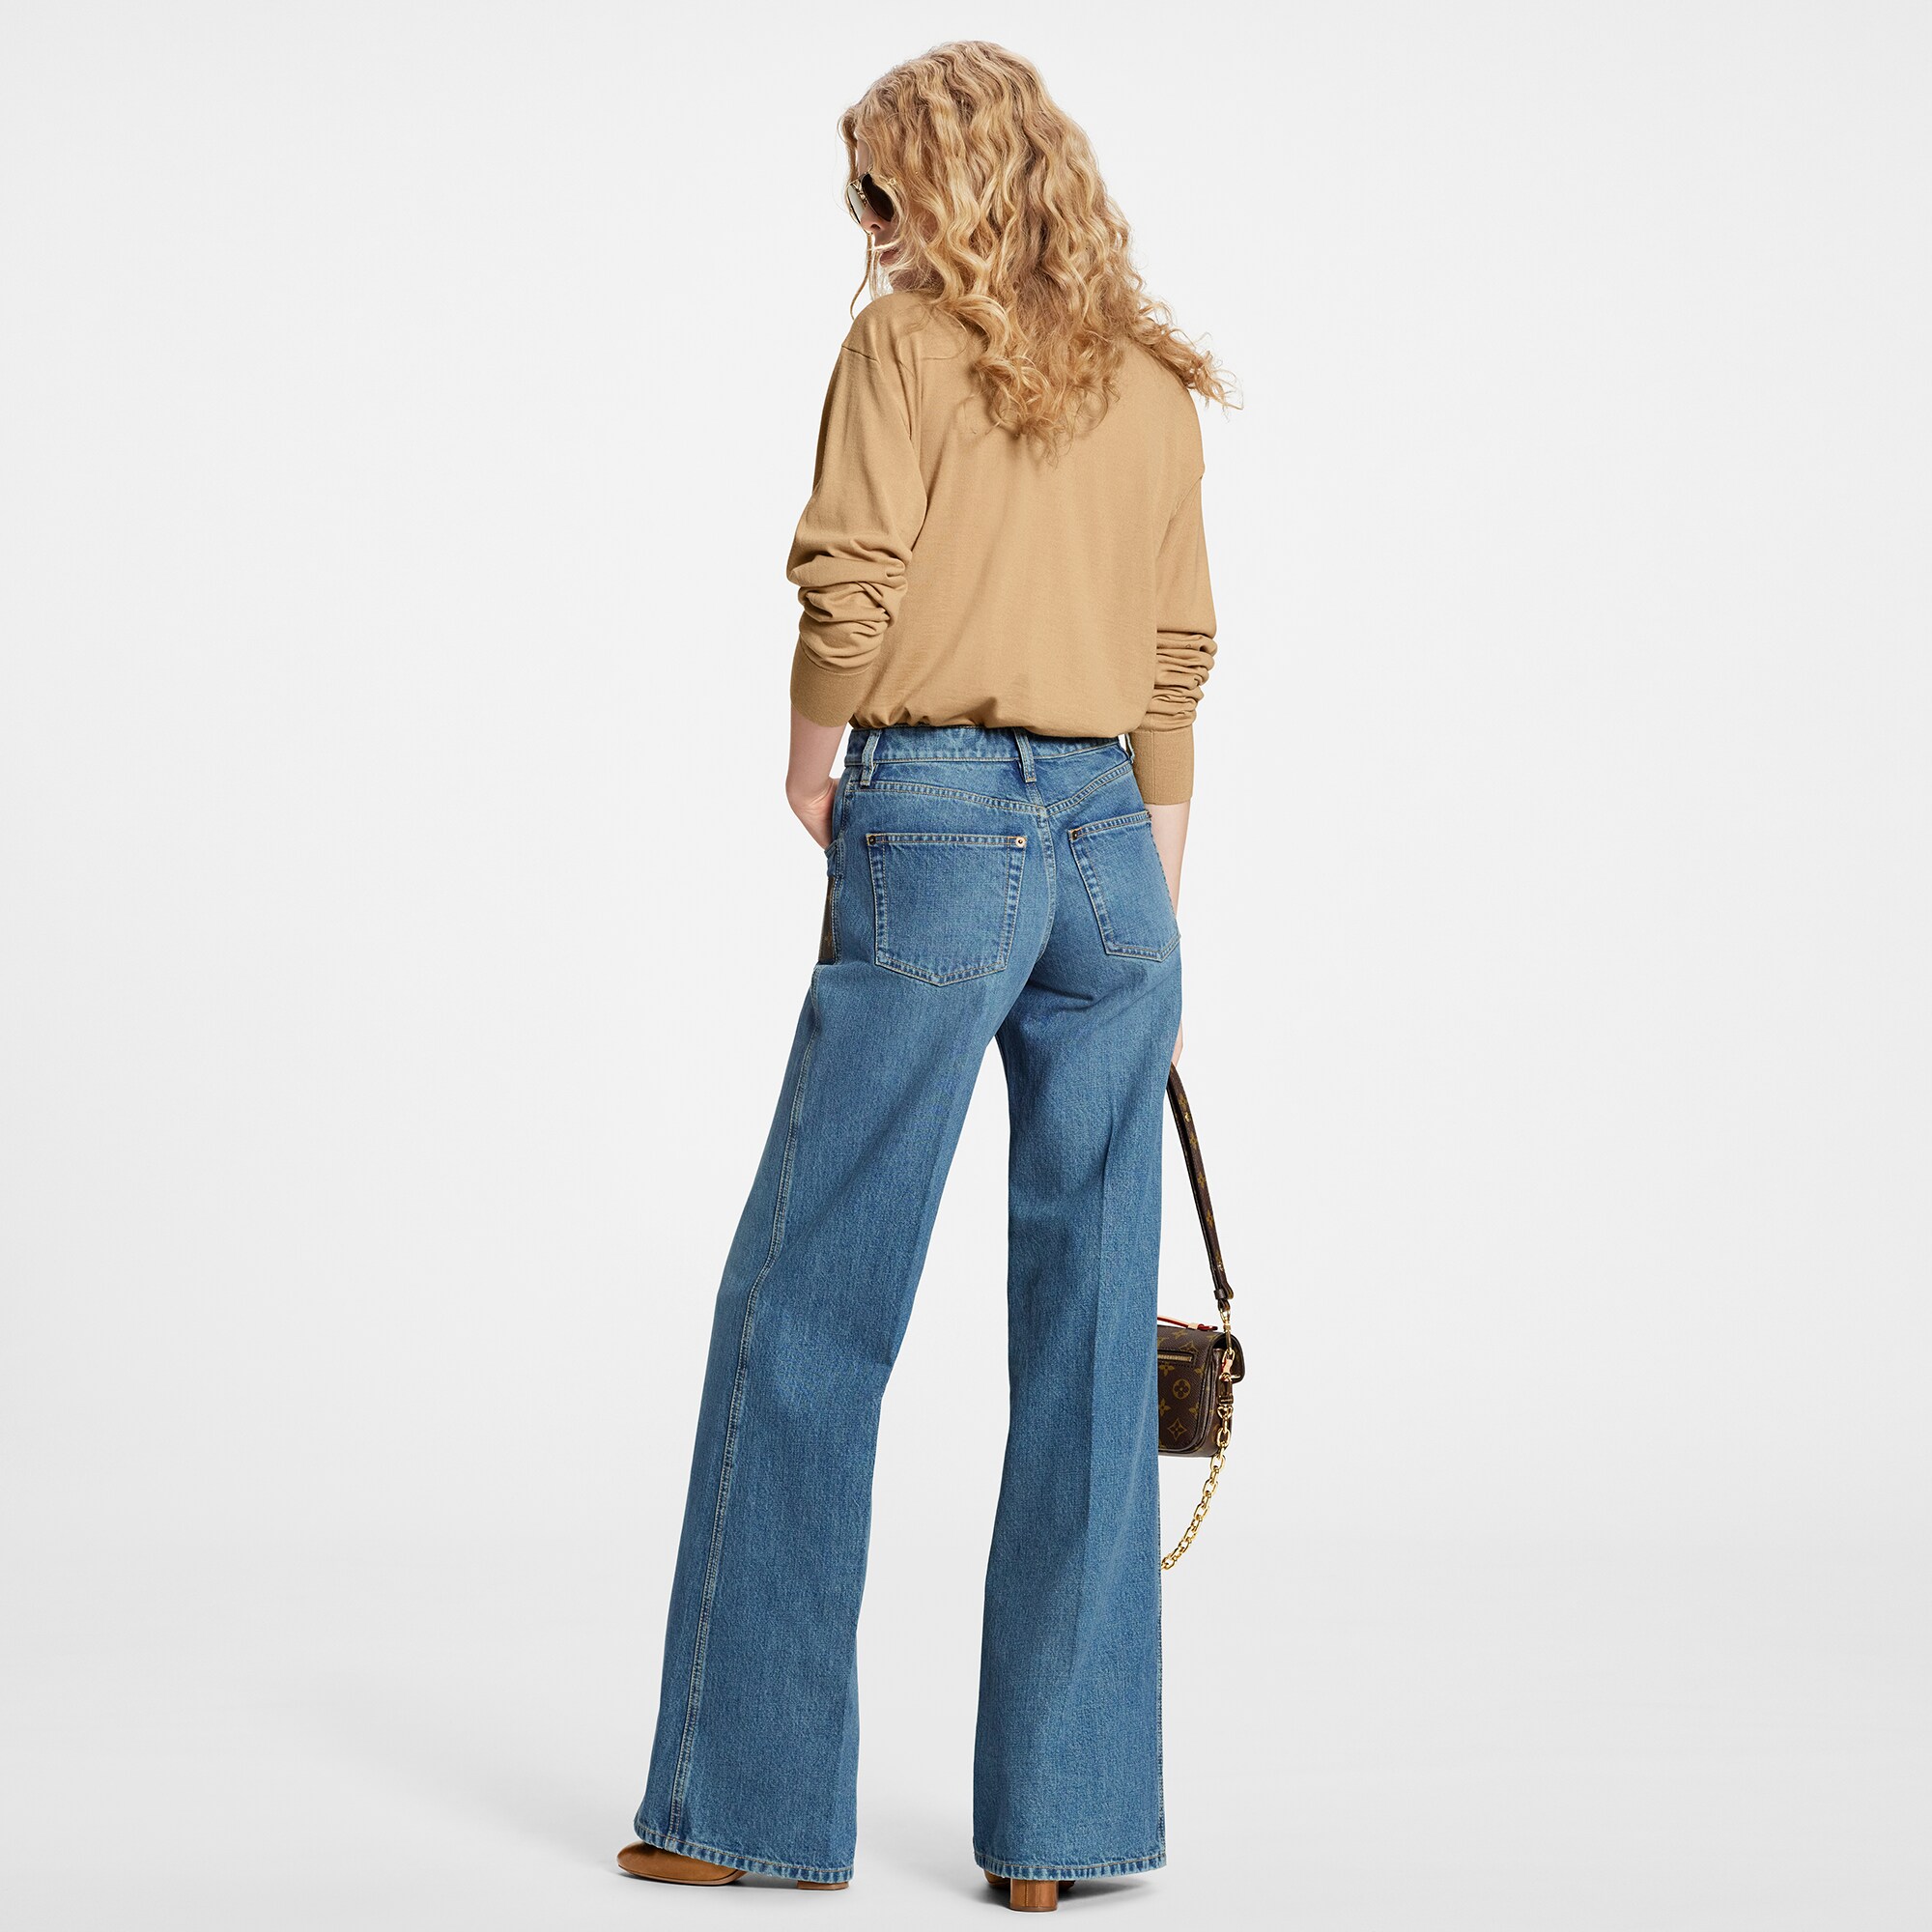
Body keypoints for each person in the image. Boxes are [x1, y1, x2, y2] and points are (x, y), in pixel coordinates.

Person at [617, 40, 1229, 1913]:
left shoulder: (899, 349)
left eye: (876, 189)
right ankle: (1062, 1836)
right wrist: (1145, 885)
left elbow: (850, 582)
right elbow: (1175, 657)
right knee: (1091, 1334)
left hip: (939, 815)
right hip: (1115, 853)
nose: (863, 224)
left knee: (811, 1303)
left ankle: (745, 1809)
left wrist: (816, 760)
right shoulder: (1149, 382)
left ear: (938, 191)